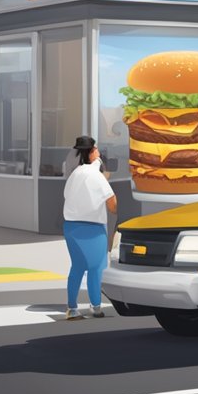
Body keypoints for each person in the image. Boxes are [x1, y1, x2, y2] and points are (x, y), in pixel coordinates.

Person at [63, 135, 118, 319]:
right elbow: (112, 203)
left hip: (71, 227)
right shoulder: (96, 175)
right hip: (92, 228)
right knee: (97, 267)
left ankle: (72, 308)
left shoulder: (75, 175)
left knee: (77, 267)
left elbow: (67, 196)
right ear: (93, 152)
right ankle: (95, 306)